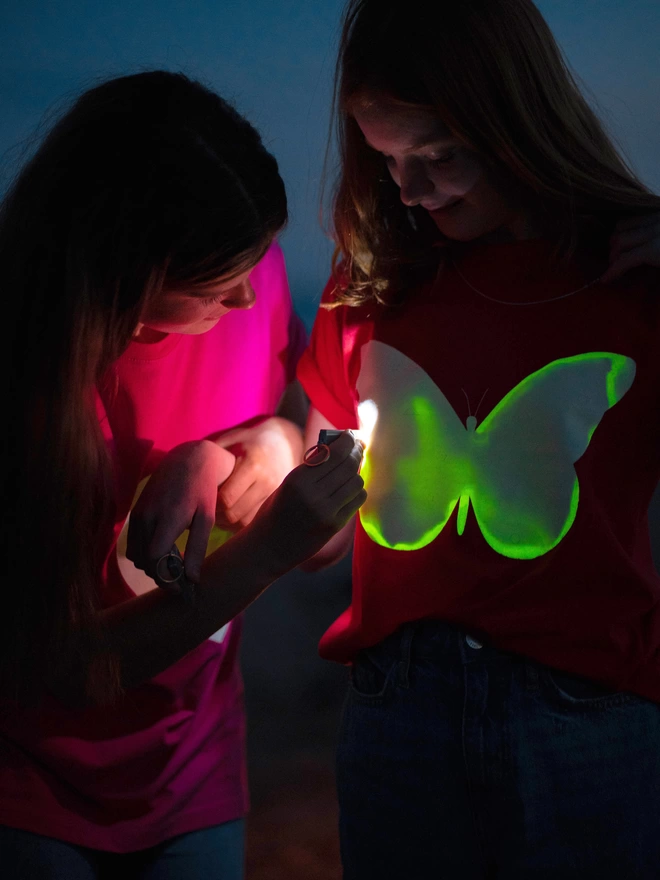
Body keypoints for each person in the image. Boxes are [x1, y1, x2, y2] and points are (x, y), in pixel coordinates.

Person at [297, 1, 660, 877]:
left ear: (520, 117)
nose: (413, 190)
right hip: (399, 708)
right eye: (388, 162)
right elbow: (319, 512)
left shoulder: (636, 271)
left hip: (583, 708)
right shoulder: (375, 278)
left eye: (441, 155)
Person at [0, 70, 365, 879]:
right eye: (210, 284)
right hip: (29, 782)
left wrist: (254, 444)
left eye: (256, 260)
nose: (247, 294)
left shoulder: (252, 278)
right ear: (125, 278)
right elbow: (74, 670)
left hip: (194, 769)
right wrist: (264, 551)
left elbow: (321, 539)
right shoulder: (33, 382)